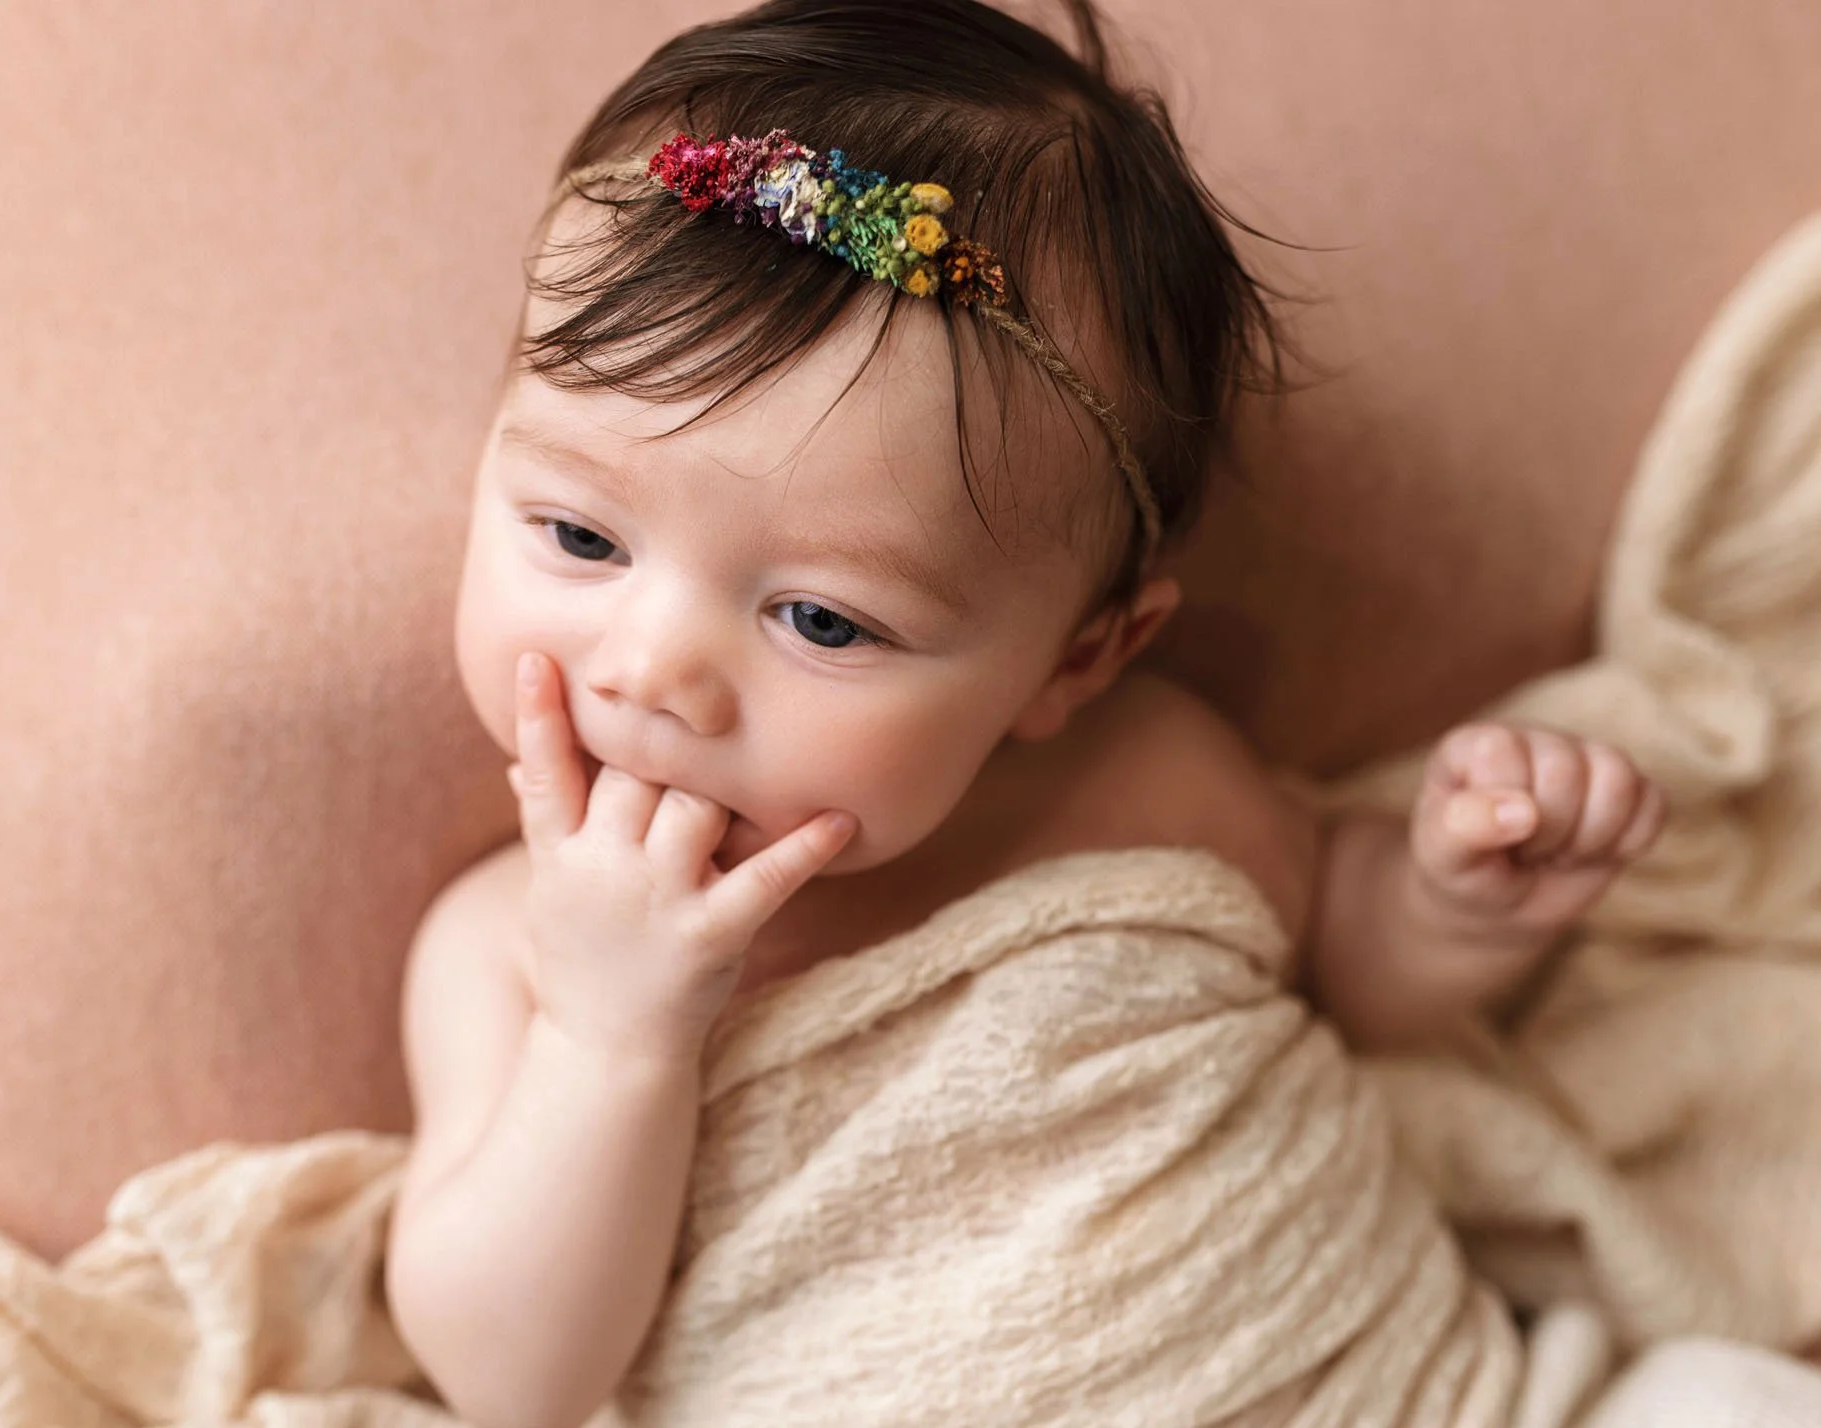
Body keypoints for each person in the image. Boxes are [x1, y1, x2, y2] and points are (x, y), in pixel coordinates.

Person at [384, 1, 1667, 1422]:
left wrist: (1454, 905)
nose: (649, 673)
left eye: (822, 620)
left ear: (1078, 664)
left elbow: (1337, 962)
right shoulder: (504, 955)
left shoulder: (1143, 785)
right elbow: (511, 1378)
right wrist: (608, 1040)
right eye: (577, 536)